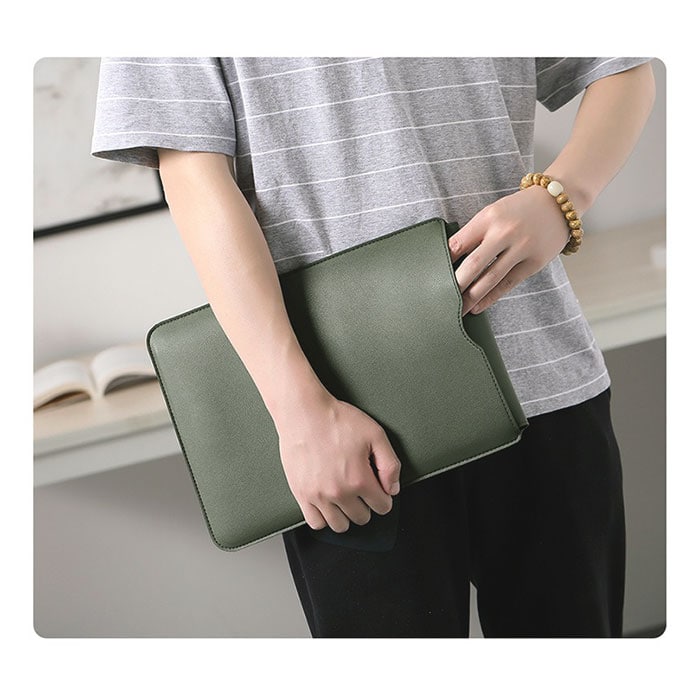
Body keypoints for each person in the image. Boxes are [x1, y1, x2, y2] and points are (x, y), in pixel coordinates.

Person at [91, 56, 655, 638]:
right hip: (343, 418)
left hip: (542, 378)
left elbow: (622, 66)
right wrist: (300, 413)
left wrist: (564, 196)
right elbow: (191, 174)